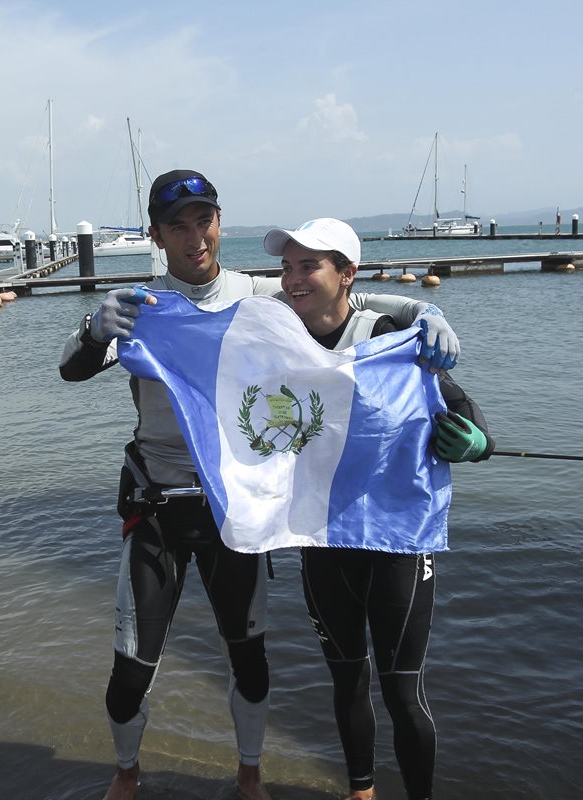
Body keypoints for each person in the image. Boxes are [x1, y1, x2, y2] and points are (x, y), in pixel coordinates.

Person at [58, 170, 464, 800]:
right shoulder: (145, 308)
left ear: (219, 222)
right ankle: (126, 772)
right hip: (158, 507)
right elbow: (72, 371)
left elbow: (341, 302)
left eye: (205, 221)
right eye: (178, 226)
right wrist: (94, 327)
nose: (195, 238)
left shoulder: (261, 297)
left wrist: (421, 310)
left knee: (248, 659)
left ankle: (249, 775)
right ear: (157, 234)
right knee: (131, 670)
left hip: (236, 511)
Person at [264, 217, 493, 800]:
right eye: (287, 266)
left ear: (346, 275)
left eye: (308, 265)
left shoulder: (388, 333)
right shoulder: (276, 341)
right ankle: (360, 792)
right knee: (346, 683)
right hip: (321, 539)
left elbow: (465, 411)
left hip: (398, 539)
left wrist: (476, 443)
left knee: (401, 690)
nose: (293, 278)